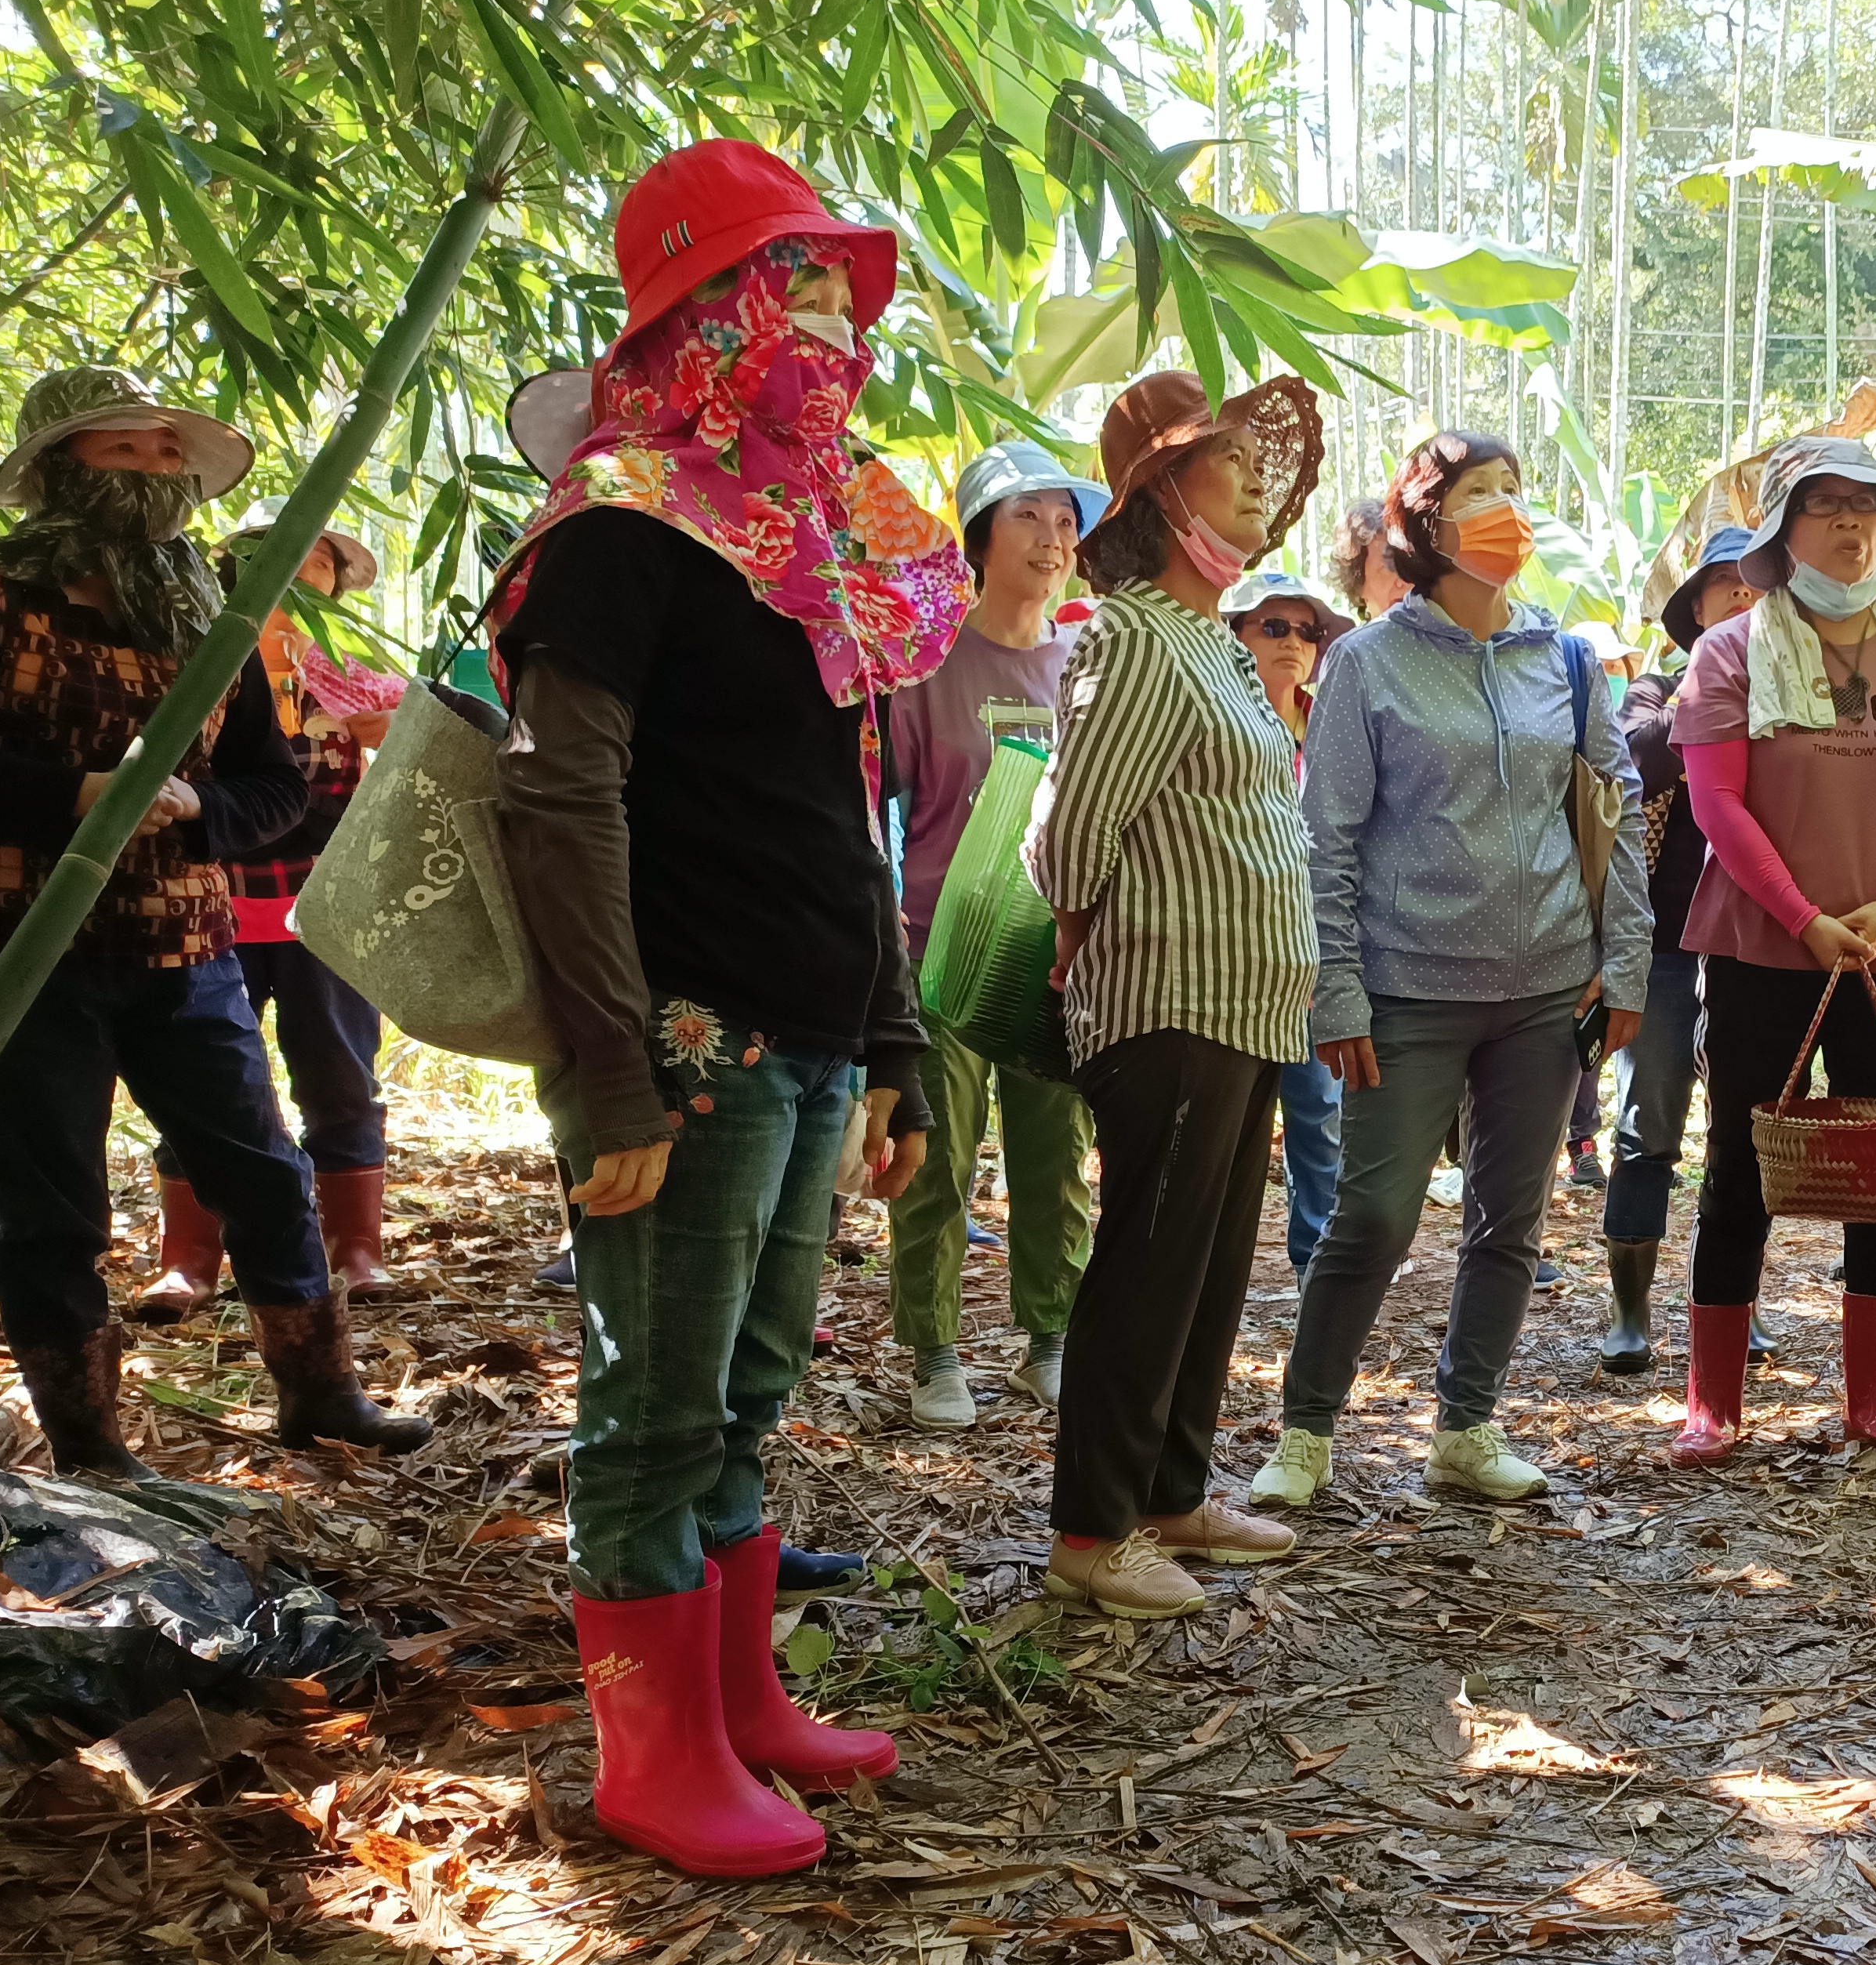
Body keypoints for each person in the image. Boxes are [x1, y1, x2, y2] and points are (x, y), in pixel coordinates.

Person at [492, 140, 966, 1875]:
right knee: (658, 1399)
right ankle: (653, 1756)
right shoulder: (618, 527)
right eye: (803, 298)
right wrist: (607, 1072)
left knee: (753, 1387)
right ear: (709, 314)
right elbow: (558, 804)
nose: (837, 341)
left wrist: (895, 1039)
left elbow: (852, 801)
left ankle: (732, 1701)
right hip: (687, 1038)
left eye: (848, 308)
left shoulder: (804, 545)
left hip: (816, 1024)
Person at [0, 366, 428, 1481]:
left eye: (163, 451)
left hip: (182, 945)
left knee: (265, 1174)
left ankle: (322, 1399)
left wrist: (197, 807)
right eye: (121, 450)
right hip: (19, 949)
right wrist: (77, 796)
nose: (152, 469)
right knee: (52, 1209)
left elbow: (269, 785)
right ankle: (89, 1447)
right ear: (56, 467)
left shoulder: (208, 614)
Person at [1257, 432, 1651, 1509]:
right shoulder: (1370, 664)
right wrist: (1335, 989)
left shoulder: (1563, 661)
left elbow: (1619, 819)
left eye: (1516, 491)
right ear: (1426, 524)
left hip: (1544, 996)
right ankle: (1306, 1432)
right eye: (1480, 494)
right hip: (1407, 991)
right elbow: (1325, 841)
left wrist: (1625, 968)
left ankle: (1467, 1428)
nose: (1506, 512)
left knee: (1508, 1222)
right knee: (1374, 1215)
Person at [1024, 367, 1323, 1620]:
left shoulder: (1211, 637)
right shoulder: (1138, 638)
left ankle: (1171, 1489)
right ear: (1161, 493)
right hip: (1168, 1000)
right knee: (1148, 1266)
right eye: (1223, 461)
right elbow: (1070, 837)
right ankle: (1093, 1530)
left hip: (1241, 1005)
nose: (1253, 477)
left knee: (1205, 1268)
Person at [1665, 436, 1876, 1467]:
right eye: (1828, 506)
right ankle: (1715, 1403)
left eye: (1869, 509)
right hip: (1763, 946)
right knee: (1741, 1167)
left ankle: (1874, 1404)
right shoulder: (1728, 654)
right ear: (1783, 529)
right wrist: (1806, 917)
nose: (1852, 527)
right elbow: (1717, 803)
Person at [135, 504, 407, 1321]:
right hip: (212, 903)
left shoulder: (361, 673)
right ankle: (188, 1257)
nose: (296, 576)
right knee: (199, 1082)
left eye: (316, 564)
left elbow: (426, 786)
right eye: (270, 559)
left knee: (339, 1076)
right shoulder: (198, 662)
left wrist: (387, 736)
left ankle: (355, 1249)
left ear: (336, 583)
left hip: (326, 910)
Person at [885, 439, 1108, 1429]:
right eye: (1028, 517)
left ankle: (1049, 1340)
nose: (1052, 539)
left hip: (1058, 955)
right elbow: (868, 799)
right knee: (935, 1153)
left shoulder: (1087, 665)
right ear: (980, 537)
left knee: (1054, 1153)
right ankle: (935, 1352)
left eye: (1065, 522)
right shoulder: (923, 668)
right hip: (940, 948)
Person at [1599, 522, 1766, 1373]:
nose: (1744, 596)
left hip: (1758, 948)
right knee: (1647, 1127)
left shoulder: (1795, 695)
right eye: (1725, 586)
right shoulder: (1655, 695)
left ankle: (1737, 1300)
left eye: (1756, 583)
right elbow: (1632, 764)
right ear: (1695, 609)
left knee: (1746, 1136)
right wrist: (1709, 692)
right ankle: (1629, 1313)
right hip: (1665, 952)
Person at [1225, 567, 1355, 1285]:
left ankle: (1317, 1263)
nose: (1293, 644)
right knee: (1234, 1126)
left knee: (1318, 1114)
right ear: (1235, 634)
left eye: (1307, 632)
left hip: (1313, 956)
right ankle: (1220, 1274)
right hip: (1233, 961)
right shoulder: (1214, 718)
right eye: (1273, 627)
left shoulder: (1331, 724)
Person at [1330, 494, 1411, 621]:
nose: (1405, 583)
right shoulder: (1354, 641)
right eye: (1388, 569)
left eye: (1410, 566)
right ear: (1358, 583)